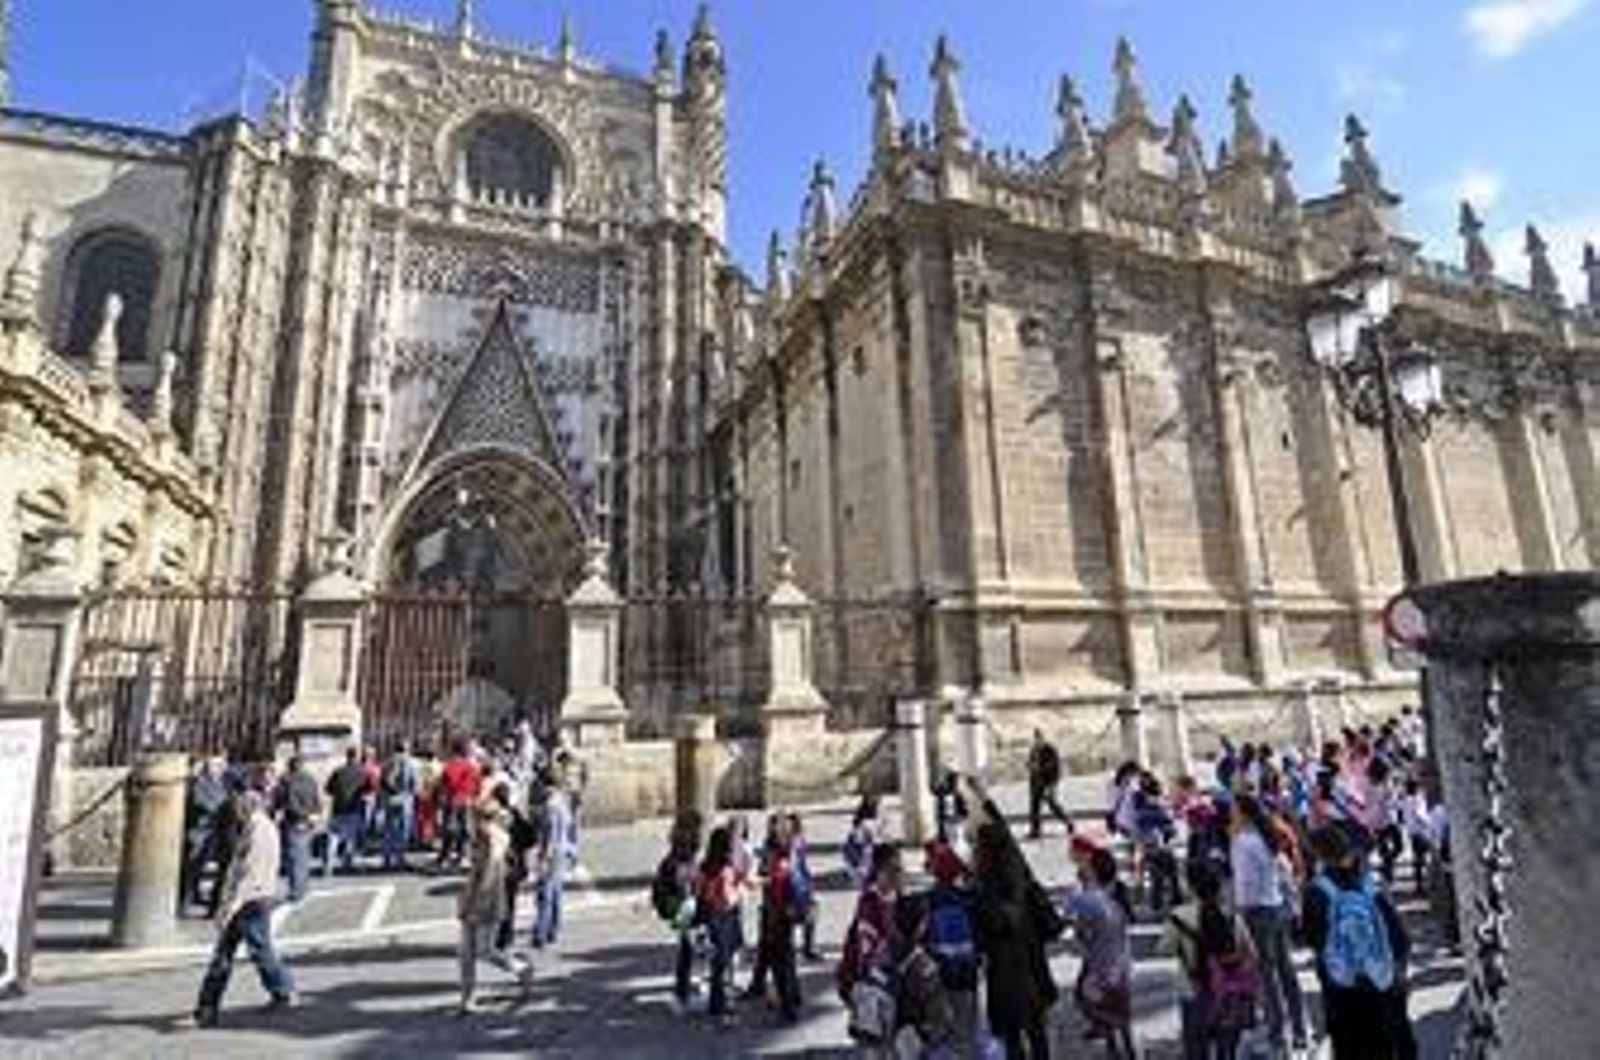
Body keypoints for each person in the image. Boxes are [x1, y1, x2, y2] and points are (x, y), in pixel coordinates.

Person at [1303, 826, 1417, 1059]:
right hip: (1382, 986)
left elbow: (1315, 941)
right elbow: (1401, 939)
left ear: (1319, 855)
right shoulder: (1372, 884)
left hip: (1342, 992)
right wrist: (1397, 974)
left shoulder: (1316, 891)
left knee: (1349, 1048)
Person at [193, 789, 295, 1027]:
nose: (237, 811)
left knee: (227, 954)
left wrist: (229, 907)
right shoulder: (263, 827)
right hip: (259, 896)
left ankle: (208, 1007)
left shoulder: (257, 830)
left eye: (240, 806)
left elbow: (247, 872)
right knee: (258, 949)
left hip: (249, 900)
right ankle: (281, 990)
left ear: (249, 806)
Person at [969, 797, 1057, 1059]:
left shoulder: (989, 883)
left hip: (1008, 964)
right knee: (1035, 1027)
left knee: (1014, 1031)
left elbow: (998, 921)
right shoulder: (1017, 865)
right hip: (1030, 956)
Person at [1230, 793, 1310, 1053]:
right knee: (1286, 970)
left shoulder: (1242, 842)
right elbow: (1282, 871)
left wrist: (1238, 912)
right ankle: (1300, 1028)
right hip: (1276, 906)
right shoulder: (1267, 836)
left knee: (1267, 974)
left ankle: (1278, 1034)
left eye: (1234, 809)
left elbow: (1244, 883)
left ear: (1243, 813)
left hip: (1255, 910)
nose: (1231, 814)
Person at [1163, 859, 1260, 1059]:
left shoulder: (1178, 916)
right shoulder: (1233, 916)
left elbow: (1164, 949)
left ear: (1190, 886)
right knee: (1227, 1050)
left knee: (1197, 1049)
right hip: (1228, 993)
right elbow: (1252, 952)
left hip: (1193, 990)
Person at [455, 794, 532, 1015]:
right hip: (472, 897)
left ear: (480, 817)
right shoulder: (480, 836)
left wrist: (478, 904)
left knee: (485, 950)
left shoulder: (494, 838)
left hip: (487, 901)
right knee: (465, 952)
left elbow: (492, 874)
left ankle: (522, 969)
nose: (468, 820)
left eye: (472, 816)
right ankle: (466, 1000)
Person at [837, 842, 905, 1055]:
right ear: (878, 871)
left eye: (900, 869)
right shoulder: (869, 904)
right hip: (872, 990)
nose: (898, 875)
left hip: (898, 989)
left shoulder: (902, 900)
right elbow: (866, 951)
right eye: (892, 870)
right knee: (873, 1049)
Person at [1067, 847, 1135, 1058]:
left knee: (1087, 999)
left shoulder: (1090, 899)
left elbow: (1081, 933)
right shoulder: (1116, 892)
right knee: (1120, 1007)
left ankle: (1111, 1043)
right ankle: (1127, 1048)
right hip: (1120, 957)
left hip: (1099, 961)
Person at [922, 838, 980, 1057]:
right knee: (968, 1023)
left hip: (940, 972)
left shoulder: (929, 899)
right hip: (968, 971)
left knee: (944, 1027)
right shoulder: (969, 899)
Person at [697, 824, 744, 1026]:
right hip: (724, 916)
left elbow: (700, 891)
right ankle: (722, 1004)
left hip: (710, 915)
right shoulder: (725, 869)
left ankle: (716, 1003)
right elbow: (726, 898)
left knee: (717, 962)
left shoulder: (705, 866)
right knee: (724, 961)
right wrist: (737, 892)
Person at [181, 756, 232, 914]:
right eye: (218, 766)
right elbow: (201, 802)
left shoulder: (222, 782)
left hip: (213, 833)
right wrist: (221, 808)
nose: (222, 768)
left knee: (202, 869)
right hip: (199, 833)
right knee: (191, 870)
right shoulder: (200, 782)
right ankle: (183, 902)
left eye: (223, 765)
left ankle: (195, 896)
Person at [532, 771, 576, 949]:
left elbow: (550, 836)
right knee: (556, 893)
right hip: (563, 851)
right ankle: (553, 930)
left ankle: (541, 934)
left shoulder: (550, 806)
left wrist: (544, 859)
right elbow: (569, 827)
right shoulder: (563, 802)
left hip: (553, 853)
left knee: (545, 895)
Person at [274, 755, 322, 903]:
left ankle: (296, 890)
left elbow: (288, 803)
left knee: (294, 857)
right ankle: (303, 887)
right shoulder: (311, 779)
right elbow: (316, 799)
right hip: (308, 822)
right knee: (304, 856)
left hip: (294, 821)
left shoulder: (286, 780)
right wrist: (315, 814)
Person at [437, 739, 483, 869]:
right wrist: (474, 797)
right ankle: (462, 855)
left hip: (452, 801)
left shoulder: (449, 766)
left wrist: (442, 800)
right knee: (465, 830)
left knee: (449, 830)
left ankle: (444, 856)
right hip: (467, 801)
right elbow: (478, 785)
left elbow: (443, 785)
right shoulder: (472, 767)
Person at [323, 747, 369, 876]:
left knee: (333, 839)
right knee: (350, 839)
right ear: (356, 757)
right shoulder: (362, 772)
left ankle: (328, 866)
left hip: (338, 809)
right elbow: (368, 789)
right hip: (354, 809)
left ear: (346, 757)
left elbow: (328, 789)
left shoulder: (338, 771)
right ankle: (347, 864)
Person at [379, 741, 420, 871]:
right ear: (406, 749)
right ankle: (400, 857)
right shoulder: (410, 763)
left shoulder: (386, 763)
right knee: (403, 830)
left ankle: (386, 858)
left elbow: (381, 782)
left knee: (388, 829)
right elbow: (414, 783)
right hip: (404, 800)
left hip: (389, 800)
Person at [1026, 729, 1071, 839]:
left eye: (1039, 738)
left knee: (1053, 804)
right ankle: (1035, 830)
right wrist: (1029, 766)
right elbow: (1031, 765)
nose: (1037, 740)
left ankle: (1068, 822)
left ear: (1043, 738)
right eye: (1035, 738)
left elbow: (1054, 766)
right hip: (1036, 783)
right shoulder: (1033, 750)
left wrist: (1050, 783)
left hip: (1048, 782)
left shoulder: (1050, 750)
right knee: (1034, 807)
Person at [842, 794, 881, 890]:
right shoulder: (867, 826)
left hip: (857, 866)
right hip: (862, 867)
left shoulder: (859, 826)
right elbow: (866, 851)